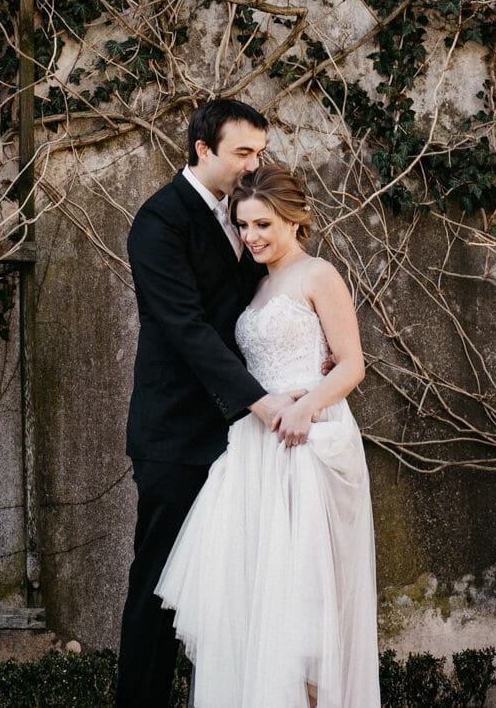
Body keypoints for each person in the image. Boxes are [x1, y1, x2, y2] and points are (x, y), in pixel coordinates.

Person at [154, 163, 378, 708]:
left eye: (263, 225)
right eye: (243, 225)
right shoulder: (254, 286)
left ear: (295, 220)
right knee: (259, 602)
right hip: (257, 447)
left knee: (306, 606)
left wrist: (308, 406)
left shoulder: (319, 275)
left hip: (306, 444)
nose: (252, 237)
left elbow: (352, 365)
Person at [115, 99, 309, 708]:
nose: (255, 163)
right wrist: (263, 403)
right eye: (243, 153)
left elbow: (260, 312)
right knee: (159, 591)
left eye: (260, 151)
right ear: (203, 150)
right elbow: (187, 327)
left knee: (230, 591)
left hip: (237, 442)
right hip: (176, 436)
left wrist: (310, 360)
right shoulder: (159, 222)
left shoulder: (245, 219)